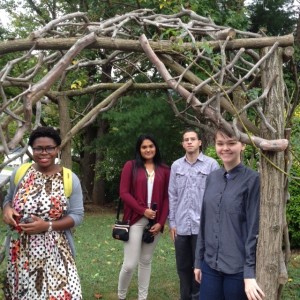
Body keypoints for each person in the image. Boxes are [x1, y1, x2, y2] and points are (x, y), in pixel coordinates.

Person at [2, 126, 84, 299]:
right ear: (33, 149)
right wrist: (7, 209)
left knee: (63, 294)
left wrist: (47, 225)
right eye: (39, 148)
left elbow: (77, 215)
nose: (43, 152)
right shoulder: (21, 173)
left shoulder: (69, 178)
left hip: (56, 251)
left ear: (57, 149)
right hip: (21, 252)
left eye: (49, 148)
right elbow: (8, 199)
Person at [194, 128, 265, 300]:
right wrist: (198, 261)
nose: (225, 148)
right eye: (220, 143)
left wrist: (249, 273)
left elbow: (253, 227)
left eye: (231, 143)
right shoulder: (212, 178)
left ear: (243, 146)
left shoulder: (252, 179)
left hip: (237, 268)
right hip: (210, 265)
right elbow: (205, 222)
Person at [168, 128, 219, 300]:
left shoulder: (211, 165)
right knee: (183, 268)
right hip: (181, 227)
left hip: (202, 228)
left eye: (192, 139)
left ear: (199, 142)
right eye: (186, 139)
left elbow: (217, 196)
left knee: (201, 269)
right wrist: (172, 223)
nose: (189, 142)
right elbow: (172, 195)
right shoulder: (176, 166)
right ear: (183, 144)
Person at [117, 134, 170, 300]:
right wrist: (142, 210)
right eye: (144, 147)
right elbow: (124, 193)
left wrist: (161, 222)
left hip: (155, 223)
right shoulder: (130, 166)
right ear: (139, 150)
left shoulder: (165, 169)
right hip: (135, 220)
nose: (148, 150)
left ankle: (142, 297)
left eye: (151, 146)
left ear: (156, 148)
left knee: (146, 260)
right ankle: (121, 296)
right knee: (130, 264)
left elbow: (167, 197)